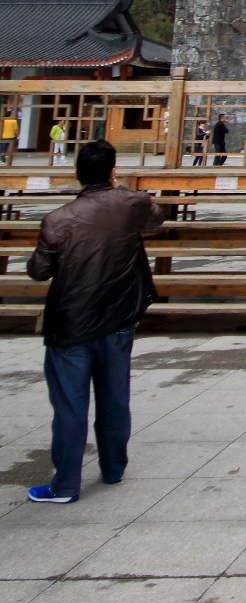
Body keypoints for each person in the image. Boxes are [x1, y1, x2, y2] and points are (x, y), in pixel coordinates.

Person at [26, 139, 163, 503]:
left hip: (72, 320)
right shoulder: (132, 204)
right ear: (113, 172)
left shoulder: (58, 220)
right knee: (115, 394)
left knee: (71, 404)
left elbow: (38, 270)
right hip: (118, 314)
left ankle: (66, 483)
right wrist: (122, 191)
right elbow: (156, 219)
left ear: (77, 174)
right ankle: (114, 467)